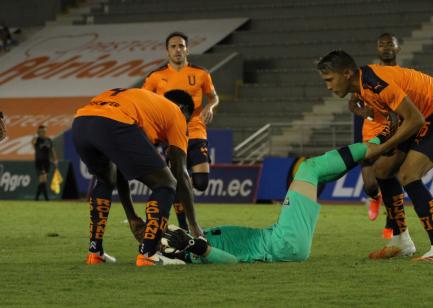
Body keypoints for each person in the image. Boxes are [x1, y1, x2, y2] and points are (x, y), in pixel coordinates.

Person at [317, 50, 433, 262]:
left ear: (347, 73)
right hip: (418, 115)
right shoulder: (362, 86)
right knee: (382, 171)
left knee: (408, 174)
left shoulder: (376, 84)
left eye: (330, 79)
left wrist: (382, 146)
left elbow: (415, 119)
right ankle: (400, 240)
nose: (328, 86)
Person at [161, 140, 379, 264]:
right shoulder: (198, 253)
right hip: (282, 243)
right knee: (308, 168)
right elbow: (231, 263)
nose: (171, 235)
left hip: (281, 239)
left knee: (316, 175)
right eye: (168, 240)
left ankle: (368, 151)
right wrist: (193, 246)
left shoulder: (197, 242)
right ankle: (378, 142)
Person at [72, 88, 202, 266]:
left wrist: (132, 217)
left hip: (81, 123)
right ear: (183, 109)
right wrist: (194, 226)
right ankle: (148, 254)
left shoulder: (145, 104)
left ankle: (95, 252)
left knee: (105, 180)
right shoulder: (176, 113)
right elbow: (180, 174)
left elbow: (118, 170)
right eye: (188, 120)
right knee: (166, 183)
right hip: (113, 122)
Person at [143, 32, 220, 231]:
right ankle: (185, 226)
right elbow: (144, 101)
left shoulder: (201, 73)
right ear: (167, 50)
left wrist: (209, 107)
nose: (178, 49)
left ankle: (184, 210)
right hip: (170, 134)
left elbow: (213, 97)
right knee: (177, 179)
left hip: (196, 130)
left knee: (201, 183)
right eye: (173, 46)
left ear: (187, 49)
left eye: (181, 46)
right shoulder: (156, 77)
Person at [350, 33, 401, 239]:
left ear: (398, 48)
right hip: (371, 133)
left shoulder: (404, 74)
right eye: (382, 44)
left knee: (389, 177)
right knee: (370, 183)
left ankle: (391, 222)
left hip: (394, 132)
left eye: (390, 44)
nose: (386, 47)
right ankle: (374, 196)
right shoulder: (369, 75)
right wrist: (363, 112)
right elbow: (352, 103)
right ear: (377, 49)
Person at [32, 125, 58, 201]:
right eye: (41, 131)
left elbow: (52, 150)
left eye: (44, 131)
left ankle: (37, 198)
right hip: (39, 162)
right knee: (43, 178)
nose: (43, 133)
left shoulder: (49, 140)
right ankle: (46, 198)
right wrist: (36, 135)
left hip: (47, 162)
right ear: (38, 132)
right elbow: (33, 143)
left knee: (43, 181)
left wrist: (55, 159)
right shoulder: (37, 140)